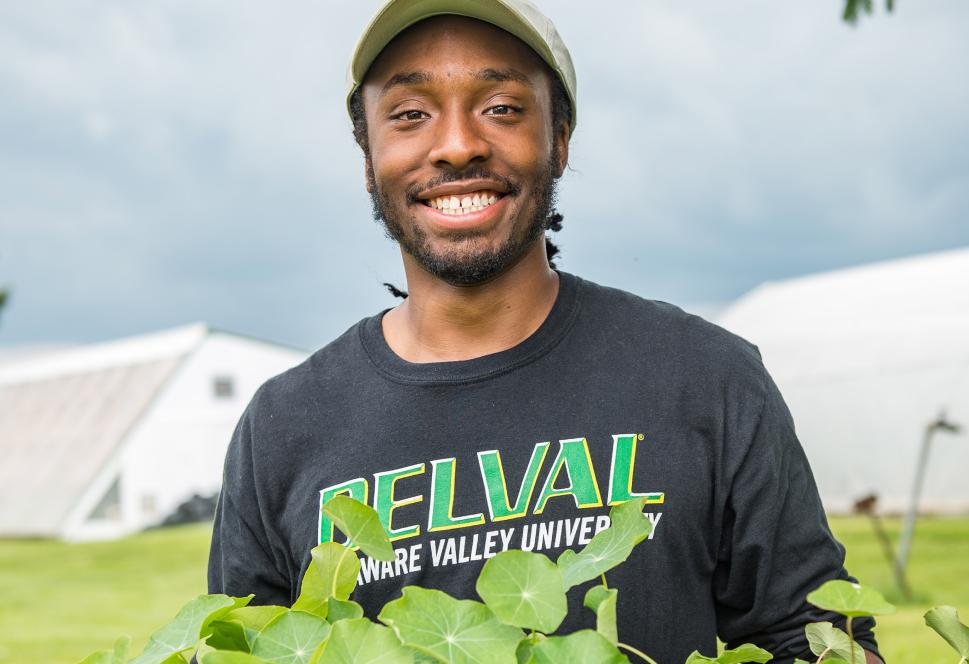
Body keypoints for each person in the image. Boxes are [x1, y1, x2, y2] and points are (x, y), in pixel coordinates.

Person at [207, 1, 884, 662]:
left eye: (501, 108)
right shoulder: (282, 427)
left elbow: (814, 638)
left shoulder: (706, 378)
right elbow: (252, 650)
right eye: (410, 115)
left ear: (559, 140)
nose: (457, 145)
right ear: (368, 159)